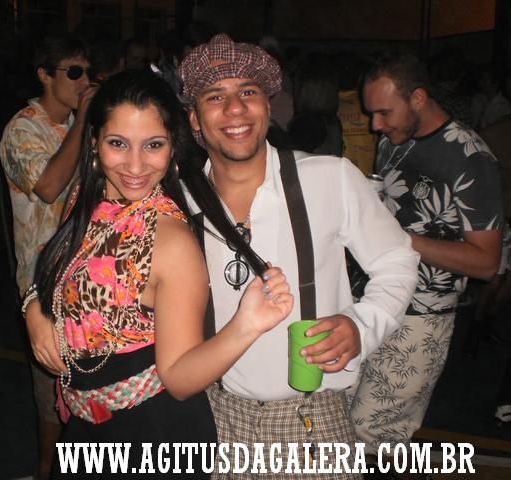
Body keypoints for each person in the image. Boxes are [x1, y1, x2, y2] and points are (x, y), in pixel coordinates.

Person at [24, 70, 293, 477]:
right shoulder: (85, 197)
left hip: (153, 438)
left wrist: (246, 326)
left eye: (153, 145)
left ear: (172, 147)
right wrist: (34, 309)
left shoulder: (170, 240)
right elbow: (58, 269)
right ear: (94, 140)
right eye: (118, 143)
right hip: (86, 426)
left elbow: (179, 378)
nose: (135, 165)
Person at [177, 34, 419, 478]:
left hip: (311, 422)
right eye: (215, 96)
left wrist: (361, 326)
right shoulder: (178, 201)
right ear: (194, 117)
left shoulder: (329, 178)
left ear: (268, 106)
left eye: (248, 92)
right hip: (212, 419)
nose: (235, 108)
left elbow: (397, 261)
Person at [352, 51, 503, 474]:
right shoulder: (392, 141)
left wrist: (402, 240)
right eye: (372, 112)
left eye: (384, 112)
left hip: (420, 317)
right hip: (367, 300)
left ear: (418, 97)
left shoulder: (471, 158)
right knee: (337, 421)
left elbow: (487, 263)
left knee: (374, 439)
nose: (374, 125)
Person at [0, 33, 96, 480]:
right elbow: (49, 186)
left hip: (89, 275)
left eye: (87, 72)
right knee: (51, 393)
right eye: (73, 72)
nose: (83, 81)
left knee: (88, 387)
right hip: (44, 283)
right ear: (44, 75)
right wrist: (84, 122)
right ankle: (45, 471)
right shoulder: (22, 129)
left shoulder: (81, 123)